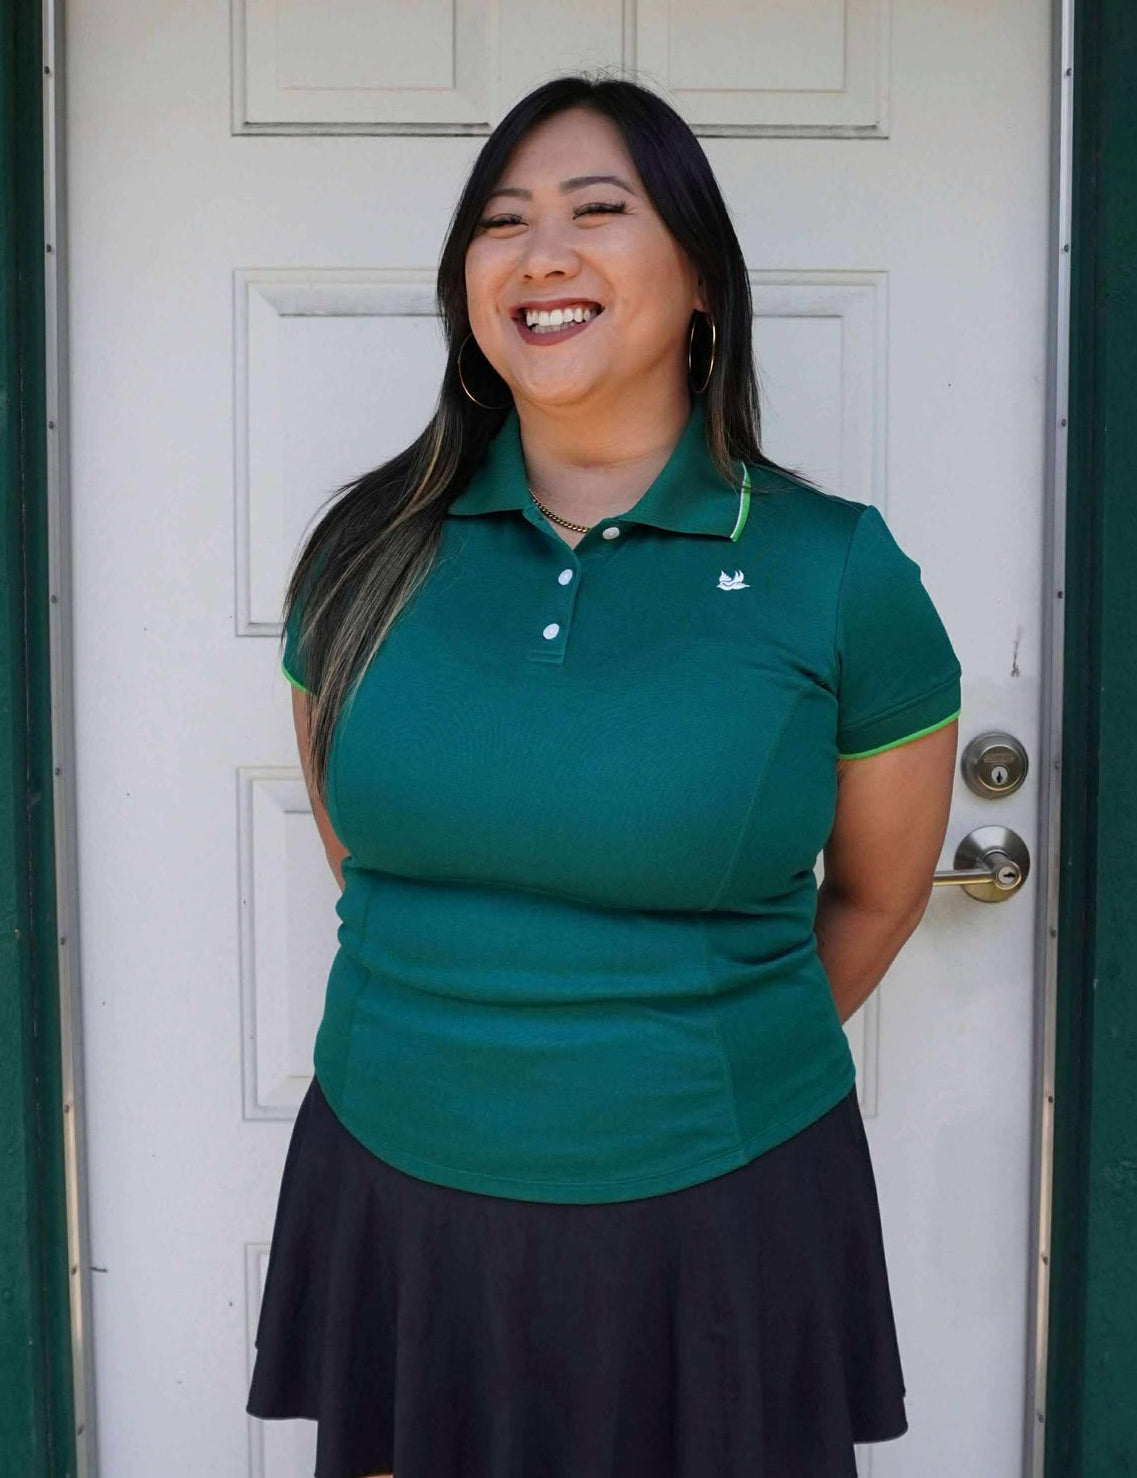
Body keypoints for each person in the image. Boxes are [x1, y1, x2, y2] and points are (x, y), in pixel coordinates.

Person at [246, 72, 961, 1478]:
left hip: (719, 1209)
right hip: (396, 1186)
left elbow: (879, 896)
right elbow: (364, 854)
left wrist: (659, 1062)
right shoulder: (365, 553)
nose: (542, 253)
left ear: (700, 279)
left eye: (597, 210)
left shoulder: (834, 570)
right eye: (501, 221)